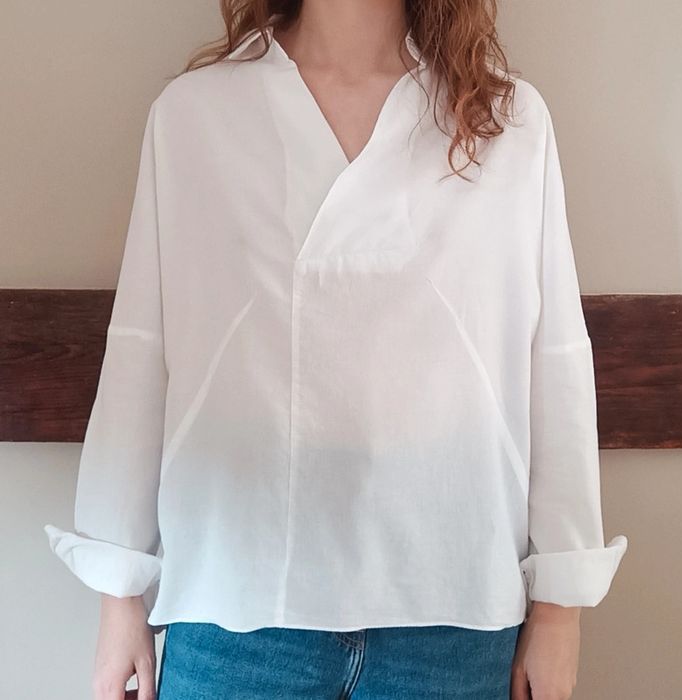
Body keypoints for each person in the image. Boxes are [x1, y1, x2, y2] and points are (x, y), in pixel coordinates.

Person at [44, 1, 629, 698]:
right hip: (238, 609)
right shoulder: (195, 116)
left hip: (451, 609)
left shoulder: (506, 121)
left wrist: (560, 608)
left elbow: (553, 358)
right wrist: (119, 595)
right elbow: (144, 348)